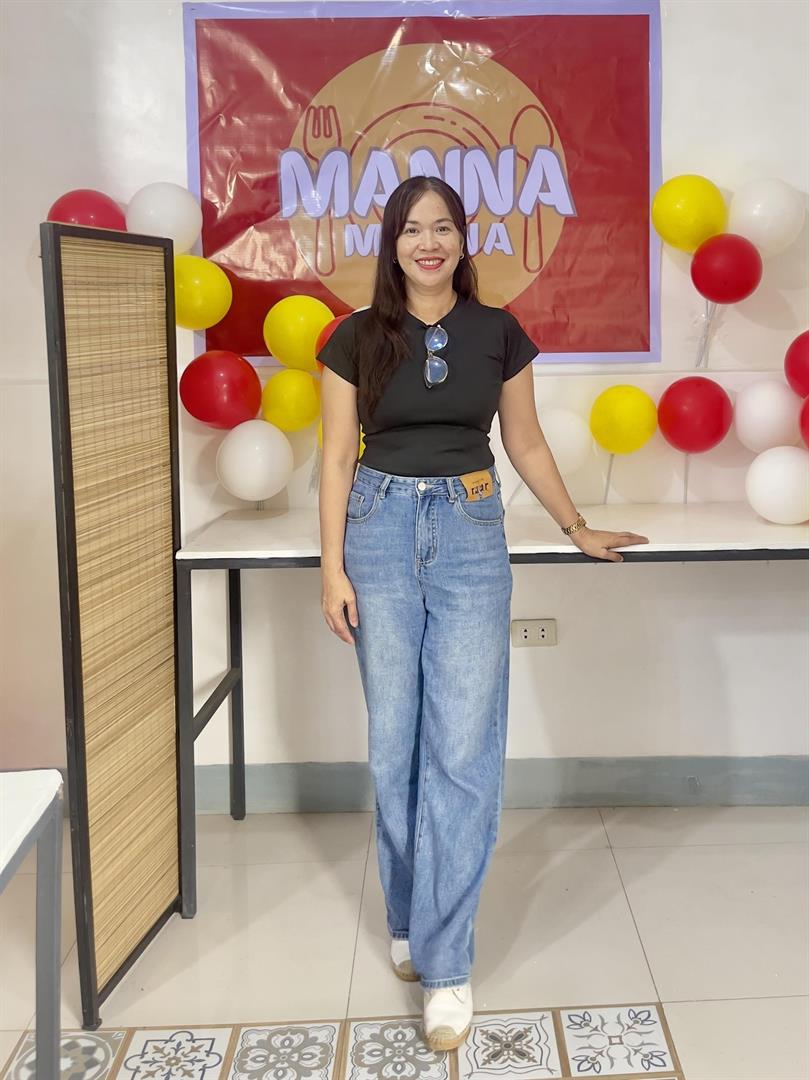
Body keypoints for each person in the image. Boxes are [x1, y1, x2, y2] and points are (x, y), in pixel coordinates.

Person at [317, 176, 649, 1052]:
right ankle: (408, 916)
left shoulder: (499, 332)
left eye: (443, 228)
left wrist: (575, 526)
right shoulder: (353, 337)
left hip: (468, 532)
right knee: (395, 745)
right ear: (391, 243)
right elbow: (335, 458)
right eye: (411, 229)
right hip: (377, 532)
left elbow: (524, 441)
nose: (428, 243)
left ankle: (446, 965)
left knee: (462, 750)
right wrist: (331, 569)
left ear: (463, 239)